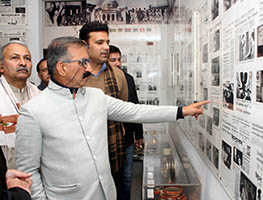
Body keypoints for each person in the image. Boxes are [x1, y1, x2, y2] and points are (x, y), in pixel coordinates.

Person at [15, 36, 209, 200]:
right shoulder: (33, 111)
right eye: (82, 62)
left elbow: (135, 111)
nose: (89, 69)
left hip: (106, 193)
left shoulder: (95, 96)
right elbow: (27, 171)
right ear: (62, 68)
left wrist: (181, 111)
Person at [79, 22, 129, 194]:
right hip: (81, 152)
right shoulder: (73, 74)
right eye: (99, 43)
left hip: (113, 149)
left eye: (107, 42)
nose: (106, 47)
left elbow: (124, 110)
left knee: (114, 189)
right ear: (85, 45)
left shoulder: (118, 75)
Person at [108, 45, 143, 200]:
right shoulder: (95, 80)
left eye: (118, 59)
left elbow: (135, 106)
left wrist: (139, 134)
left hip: (127, 137)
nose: (117, 63)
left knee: (127, 176)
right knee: (110, 177)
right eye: (112, 60)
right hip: (107, 139)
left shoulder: (128, 79)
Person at [0, 41, 40, 169]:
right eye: (15, 58)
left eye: (27, 58)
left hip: (37, 171)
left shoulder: (40, 95)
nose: (23, 63)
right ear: (1, 66)